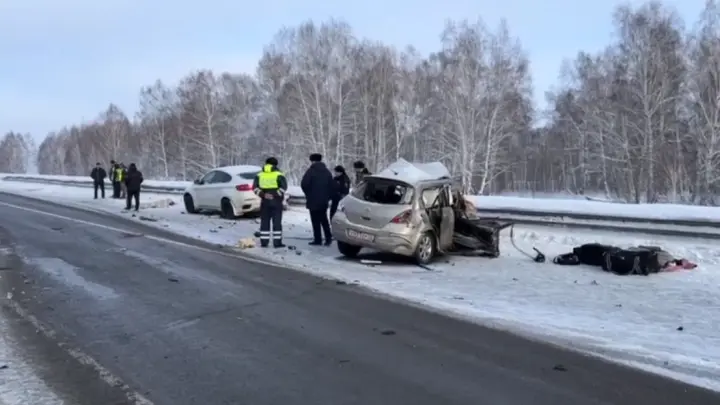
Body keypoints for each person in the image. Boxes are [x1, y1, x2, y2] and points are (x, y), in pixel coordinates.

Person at [253, 157, 287, 248]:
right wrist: (275, 194)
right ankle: (277, 243)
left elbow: (255, 188)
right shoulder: (279, 174)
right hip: (276, 202)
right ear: (276, 165)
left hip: (265, 202)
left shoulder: (259, 175)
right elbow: (284, 188)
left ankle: (264, 242)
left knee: (264, 222)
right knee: (277, 222)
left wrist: (263, 195)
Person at [301, 153, 334, 245]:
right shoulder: (327, 172)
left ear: (312, 161)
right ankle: (328, 238)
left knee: (315, 221)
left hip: (313, 200)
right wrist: (328, 197)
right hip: (323, 201)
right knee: (324, 220)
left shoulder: (311, 171)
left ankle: (318, 239)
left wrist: (309, 194)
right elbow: (332, 186)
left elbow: (304, 184)